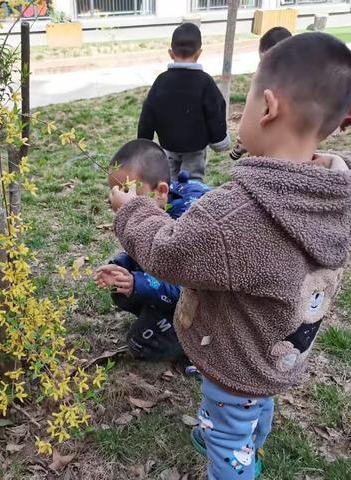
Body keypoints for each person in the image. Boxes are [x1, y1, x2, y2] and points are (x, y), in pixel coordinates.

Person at [109, 33, 351, 479]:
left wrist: (135, 212)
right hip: (275, 352)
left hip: (236, 358)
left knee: (228, 434)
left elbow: (168, 254)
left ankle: (234, 455)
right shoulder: (332, 194)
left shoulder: (238, 214)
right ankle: (246, 440)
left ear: (268, 107)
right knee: (255, 404)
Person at [95, 139, 211, 366]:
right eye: (117, 194)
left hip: (205, 307)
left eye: (129, 194)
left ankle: (198, 351)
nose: (120, 203)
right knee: (122, 291)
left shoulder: (189, 223)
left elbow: (190, 287)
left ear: (161, 191)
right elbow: (145, 250)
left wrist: (137, 283)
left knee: (141, 344)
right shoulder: (159, 205)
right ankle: (161, 318)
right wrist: (123, 265)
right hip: (174, 289)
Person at [138, 23, 230, 182]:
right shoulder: (205, 82)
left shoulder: (161, 81)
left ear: (171, 53)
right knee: (192, 180)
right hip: (195, 147)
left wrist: (144, 142)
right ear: (199, 53)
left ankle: (171, 202)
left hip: (169, 145)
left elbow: (148, 112)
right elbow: (215, 111)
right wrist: (219, 139)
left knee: (170, 178)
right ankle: (190, 204)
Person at [230, 26, 292, 161]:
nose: (265, 67)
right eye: (262, 62)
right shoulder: (298, 81)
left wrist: (247, 139)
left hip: (273, 148)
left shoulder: (272, 85)